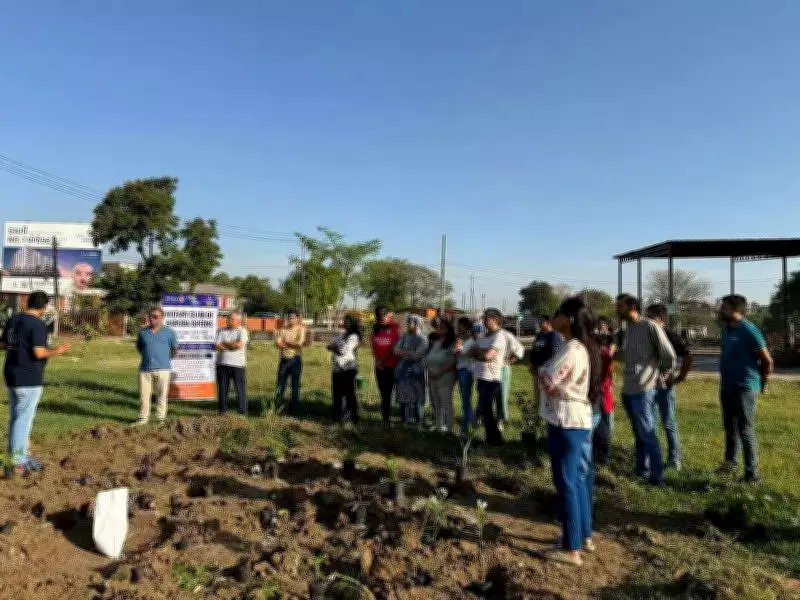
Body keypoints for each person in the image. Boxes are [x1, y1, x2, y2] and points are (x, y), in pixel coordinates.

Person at [538, 297, 602, 566]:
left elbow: (549, 380)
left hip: (566, 420)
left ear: (571, 319)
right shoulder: (579, 346)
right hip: (575, 418)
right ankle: (581, 535)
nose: (554, 317)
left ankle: (571, 548)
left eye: (559, 313)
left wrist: (541, 370)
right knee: (576, 480)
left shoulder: (573, 349)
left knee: (566, 482)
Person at [1, 291, 70, 477]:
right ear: (44, 307)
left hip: (11, 374)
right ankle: (17, 461)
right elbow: (39, 353)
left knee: (16, 417)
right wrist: (58, 350)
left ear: (28, 302)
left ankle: (14, 456)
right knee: (23, 420)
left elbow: (3, 344)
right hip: (28, 378)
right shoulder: (38, 325)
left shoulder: (14, 320)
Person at [615, 294, 676, 485]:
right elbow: (627, 356)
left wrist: (661, 375)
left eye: (620, 306)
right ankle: (642, 469)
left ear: (632, 306)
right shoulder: (629, 330)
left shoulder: (650, 326)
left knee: (648, 433)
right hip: (629, 389)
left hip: (644, 389)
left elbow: (668, 355)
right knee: (639, 434)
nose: (616, 309)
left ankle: (657, 477)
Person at [717, 294, 773, 483]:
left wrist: (763, 381)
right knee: (729, 428)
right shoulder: (726, 329)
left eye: (724, 307)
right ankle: (730, 464)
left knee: (745, 430)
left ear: (735, 310)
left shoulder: (749, 330)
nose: (720, 310)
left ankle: (751, 474)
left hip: (745, 387)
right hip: (727, 386)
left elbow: (767, 360)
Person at [646, 304, 694, 471]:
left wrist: (680, 376)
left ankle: (674, 459)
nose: (648, 321)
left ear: (662, 320)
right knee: (649, 423)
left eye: (652, 318)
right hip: (647, 386)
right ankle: (650, 458)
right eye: (647, 317)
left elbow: (688, 355)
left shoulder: (670, 336)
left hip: (665, 387)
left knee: (669, 422)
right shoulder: (645, 336)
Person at [135, 306, 179, 426]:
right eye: (151, 316)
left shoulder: (170, 333)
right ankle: (143, 419)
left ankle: (160, 419)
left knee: (162, 396)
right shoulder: (143, 333)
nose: (152, 319)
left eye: (155, 317)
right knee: (144, 396)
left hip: (163, 369)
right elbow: (140, 347)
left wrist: (164, 358)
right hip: (145, 370)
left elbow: (175, 350)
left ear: (162, 318)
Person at [470, 308, 507, 446]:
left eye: (487, 318)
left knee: (487, 409)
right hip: (481, 377)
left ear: (495, 320)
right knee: (485, 410)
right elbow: (471, 350)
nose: (484, 321)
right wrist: (480, 352)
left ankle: (496, 439)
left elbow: (487, 356)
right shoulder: (485, 336)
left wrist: (480, 352)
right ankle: (490, 437)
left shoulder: (499, 336)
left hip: (491, 379)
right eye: (484, 318)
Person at [529, 316, 563, 433]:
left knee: (547, 399)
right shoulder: (539, 335)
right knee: (537, 397)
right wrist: (532, 364)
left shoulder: (554, 335)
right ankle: (537, 421)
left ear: (549, 323)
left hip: (547, 371)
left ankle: (548, 424)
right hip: (537, 369)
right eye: (539, 321)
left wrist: (546, 370)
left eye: (541, 321)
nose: (539, 323)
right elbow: (534, 350)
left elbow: (554, 354)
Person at [327, 314, 362, 425]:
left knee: (349, 394)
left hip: (348, 369)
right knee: (337, 393)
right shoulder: (341, 335)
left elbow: (344, 350)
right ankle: (338, 415)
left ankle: (351, 417)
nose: (345, 323)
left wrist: (334, 347)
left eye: (348, 321)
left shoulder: (354, 337)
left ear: (352, 323)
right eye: (344, 321)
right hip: (337, 369)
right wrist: (334, 347)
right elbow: (329, 345)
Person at [394, 315, 429, 425]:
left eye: (411, 322)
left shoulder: (422, 339)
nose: (408, 324)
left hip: (417, 370)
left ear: (417, 324)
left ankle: (418, 421)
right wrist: (408, 353)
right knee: (403, 394)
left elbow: (417, 355)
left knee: (417, 396)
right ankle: (404, 419)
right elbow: (395, 350)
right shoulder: (404, 336)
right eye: (408, 322)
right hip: (402, 369)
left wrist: (404, 352)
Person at [215, 311, 249, 415]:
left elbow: (239, 345)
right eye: (228, 318)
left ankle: (242, 412)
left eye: (231, 319)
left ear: (239, 321)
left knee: (240, 389)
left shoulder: (242, 331)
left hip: (238, 365)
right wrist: (231, 345)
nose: (228, 321)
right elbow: (217, 345)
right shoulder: (221, 331)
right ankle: (222, 411)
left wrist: (225, 344)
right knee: (222, 389)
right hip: (222, 364)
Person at [371, 306, 401, 426]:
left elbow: (393, 347)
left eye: (383, 316)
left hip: (390, 366)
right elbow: (373, 344)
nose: (381, 319)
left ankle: (386, 418)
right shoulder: (376, 328)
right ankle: (384, 414)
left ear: (388, 315)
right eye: (379, 317)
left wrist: (381, 361)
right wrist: (377, 361)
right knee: (382, 392)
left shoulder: (394, 328)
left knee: (387, 393)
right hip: (379, 366)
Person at [426, 318, 457, 432]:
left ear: (449, 329)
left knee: (446, 402)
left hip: (445, 376)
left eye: (443, 327)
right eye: (440, 327)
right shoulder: (437, 341)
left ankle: (449, 428)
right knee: (436, 402)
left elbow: (452, 361)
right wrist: (430, 370)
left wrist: (439, 372)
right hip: (432, 375)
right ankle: (439, 425)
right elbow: (428, 357)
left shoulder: (453, 342)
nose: (440, 329)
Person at [275, 310, 307, 415]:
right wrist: (291, 344)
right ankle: (279, 407)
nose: (290, 320)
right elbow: (278, 344)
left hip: (295, 359)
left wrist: (286, 342)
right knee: (281, 384)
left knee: (295, 385)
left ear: (297, 319)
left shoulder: (301, 329)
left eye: (292, 318)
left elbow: (299, 344)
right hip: (284, 359)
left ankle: (294, 409)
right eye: (289, 318)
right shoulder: (282, 330)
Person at [593, 323, 616, 465]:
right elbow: (611, 373)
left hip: (598, 392)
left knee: (600, 423)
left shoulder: (599, 354)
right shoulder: (607, 354)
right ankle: (603, 452)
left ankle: (600, 452)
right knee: (605, 422)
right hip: (605, 391)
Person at [497, 328, 525, 431]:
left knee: (502, 396)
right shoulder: (486, 336)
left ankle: (500, 420)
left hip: (502, 369)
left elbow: (520, 349)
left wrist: (510, 360)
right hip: (488, 371)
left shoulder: (506, 334)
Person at [454, 317, 477, 435]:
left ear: (466, 327)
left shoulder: (471, 341)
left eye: (460, 325)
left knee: (466, 400)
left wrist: (458, 349)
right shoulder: (460, 340)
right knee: (465, 399)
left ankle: (465, 429)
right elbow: (455, 353)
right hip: (459, 370)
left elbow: (463, 353)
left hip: (467, 371)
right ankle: (473, 421)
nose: (458, 328)